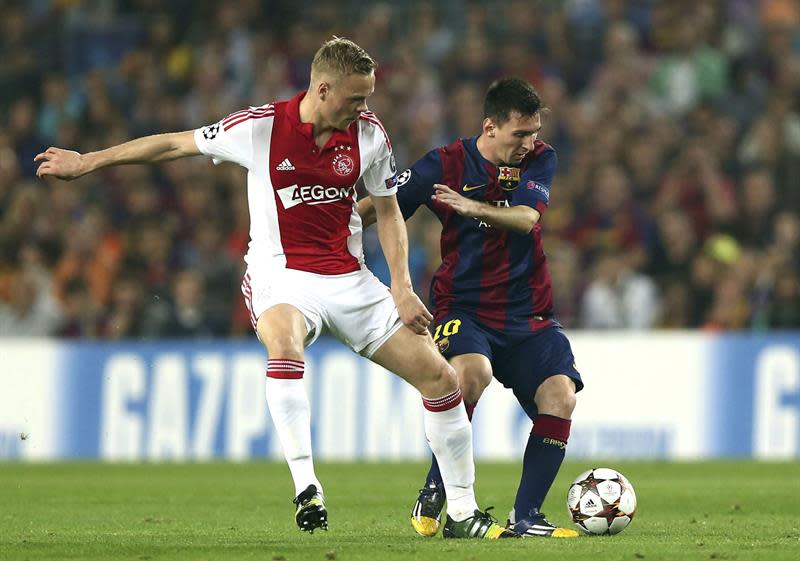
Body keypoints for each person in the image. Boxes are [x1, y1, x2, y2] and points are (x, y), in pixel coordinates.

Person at [34, 37, 514, 539]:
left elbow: (389, 209)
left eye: (368, 97)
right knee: (284, 343)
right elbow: (174, 144)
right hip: (281, 274)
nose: (364, 107)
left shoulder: (370, 135)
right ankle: (307, 486)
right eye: (356, 97)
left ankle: (461, 511)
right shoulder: (259, 127)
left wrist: (400, 285)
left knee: (442, 381)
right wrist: (88, 162)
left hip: (349, 278)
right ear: (323, 89)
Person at [358, 77, 583, 538]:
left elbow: (526, 219)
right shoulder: (443, 163)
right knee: (470, 375)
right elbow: (384, 206)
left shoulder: (542, 158)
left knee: (560, 395)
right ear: (491, 127)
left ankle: (527, 517)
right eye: (520, 134)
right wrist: (324, 220)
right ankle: (437, 487)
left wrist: (470, 207)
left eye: (535, 131)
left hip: (528, 311)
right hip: (464, 305)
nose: (530, 142)